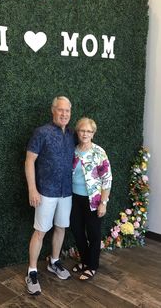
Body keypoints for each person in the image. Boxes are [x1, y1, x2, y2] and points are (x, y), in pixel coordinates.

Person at [25, 96, 75, 295]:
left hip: (66, 192)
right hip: (45, 191)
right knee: (40, 231)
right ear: (53, 111)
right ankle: (32, 271)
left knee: (61, 228)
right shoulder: (41, 132)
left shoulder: (72, 134)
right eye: (61, 110)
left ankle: (54, 262)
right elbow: (29, 161)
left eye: (68, 111)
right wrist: (32, 189)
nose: (64, 114)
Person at [70, 117, 112, 280]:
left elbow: (107, 179)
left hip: (93, 200)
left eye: (89, 131)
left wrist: (103, 202)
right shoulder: (72, 150)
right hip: (73, 198)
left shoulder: (99, 152)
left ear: (93, 133)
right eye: (82, 130)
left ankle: (92, 266)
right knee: (77, 231)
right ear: (77, 132)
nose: (85, 133)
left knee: (93, 234)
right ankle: (85, 260)